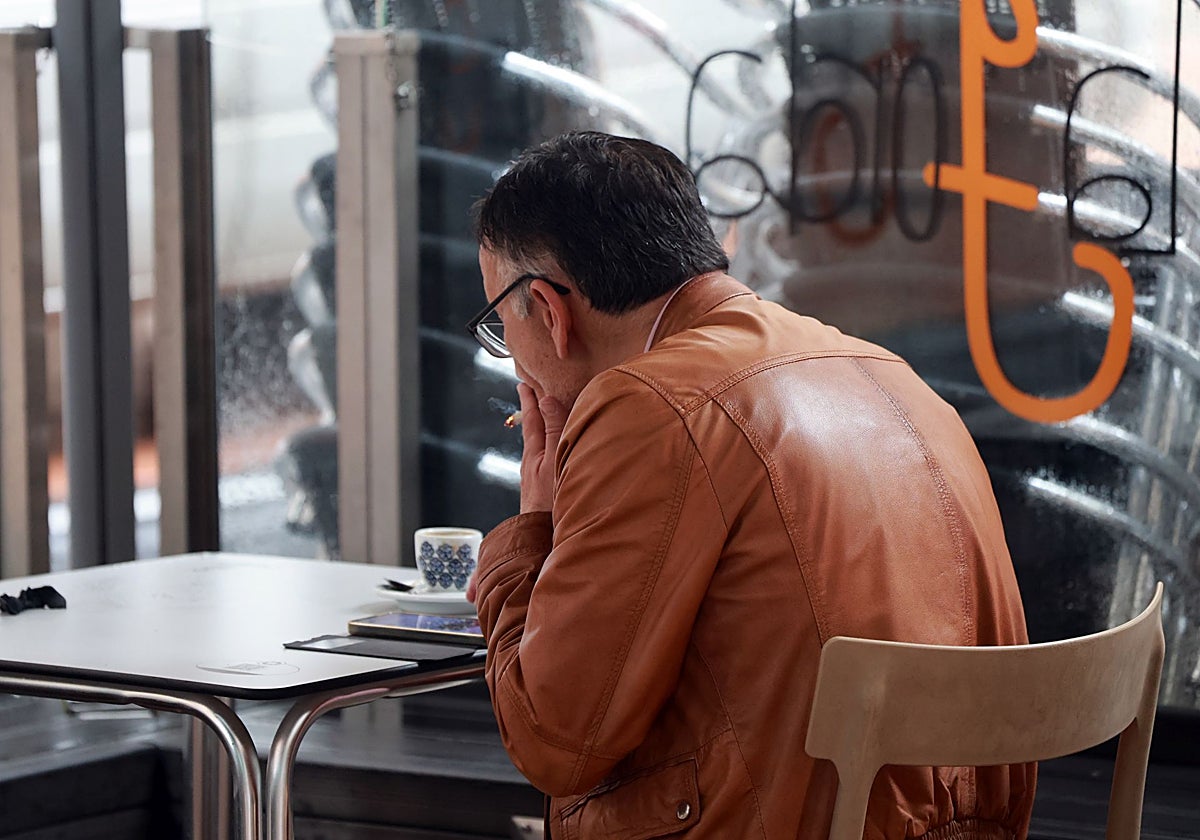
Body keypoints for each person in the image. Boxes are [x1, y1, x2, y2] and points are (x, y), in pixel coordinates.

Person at [464, 131, 1035, 839]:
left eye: (499, 327)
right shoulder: (889, 375)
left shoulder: (648, 404)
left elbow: (555, 740)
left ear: (549, 312)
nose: (510, 357)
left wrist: (532, 531)